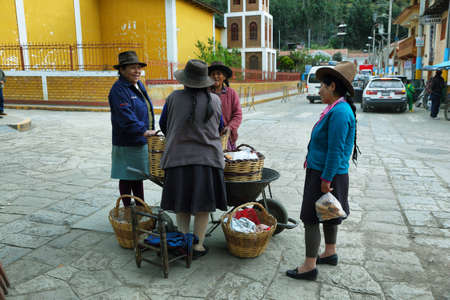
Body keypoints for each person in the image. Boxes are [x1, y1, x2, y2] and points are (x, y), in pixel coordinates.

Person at [286, 61, 358, 281]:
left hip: (326, 173)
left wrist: (326, 179)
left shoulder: (339, 113)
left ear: (333, 87)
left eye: (322, 87)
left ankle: (309, 266)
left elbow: (336, 150)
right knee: (328, 213)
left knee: (311, 218)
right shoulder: (336, 108)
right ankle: (329, 252)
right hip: (327, 172)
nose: (319, 90)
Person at [159, 59, 227, 259]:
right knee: (203, 205)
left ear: (185, 81)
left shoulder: (173, 98)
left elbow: (164, 125)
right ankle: (198, 247)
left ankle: (182, 243)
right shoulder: (214, 100)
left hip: (178, 159)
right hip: (207, 161)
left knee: (182, 203)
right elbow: (220, 127)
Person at [108, 51, 155, 211]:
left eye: (138, 67)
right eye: (132, 68)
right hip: (127, 141)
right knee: (127, 176)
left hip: (140, 139)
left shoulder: (138, 85)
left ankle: (140, 206)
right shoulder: (119, 90)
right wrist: (143, 130)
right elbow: (125, 116)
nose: (137, 71)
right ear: (121, 70)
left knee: (137, 176)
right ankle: (128, 208)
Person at [208, 61, 242, 150]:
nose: (215, 76)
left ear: (224, 77)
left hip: (227, 137)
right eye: (213, 74)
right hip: (209, 137)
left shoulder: (231, 93)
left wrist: (230, 127)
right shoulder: (205, 93)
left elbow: (237, 114)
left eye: (219, 74)